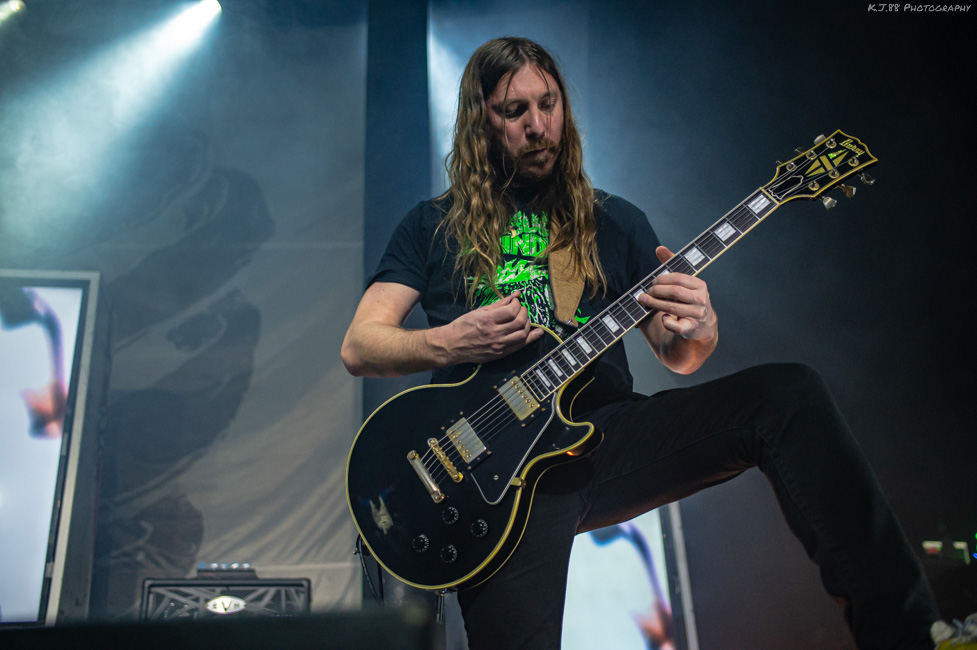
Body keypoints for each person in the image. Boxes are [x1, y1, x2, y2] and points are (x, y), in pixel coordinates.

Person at [341, 37, 941, 649]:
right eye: (513, 111)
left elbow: (675, 354)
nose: (538, 125)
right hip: (493, 480)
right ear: (479, 121)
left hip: (603, 440)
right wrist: (448, 342)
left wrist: (698, 327)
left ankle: (907, 632)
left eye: (548, 104)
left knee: (788, 394)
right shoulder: (429, 225)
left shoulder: (614, 219)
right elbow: (361, 346)